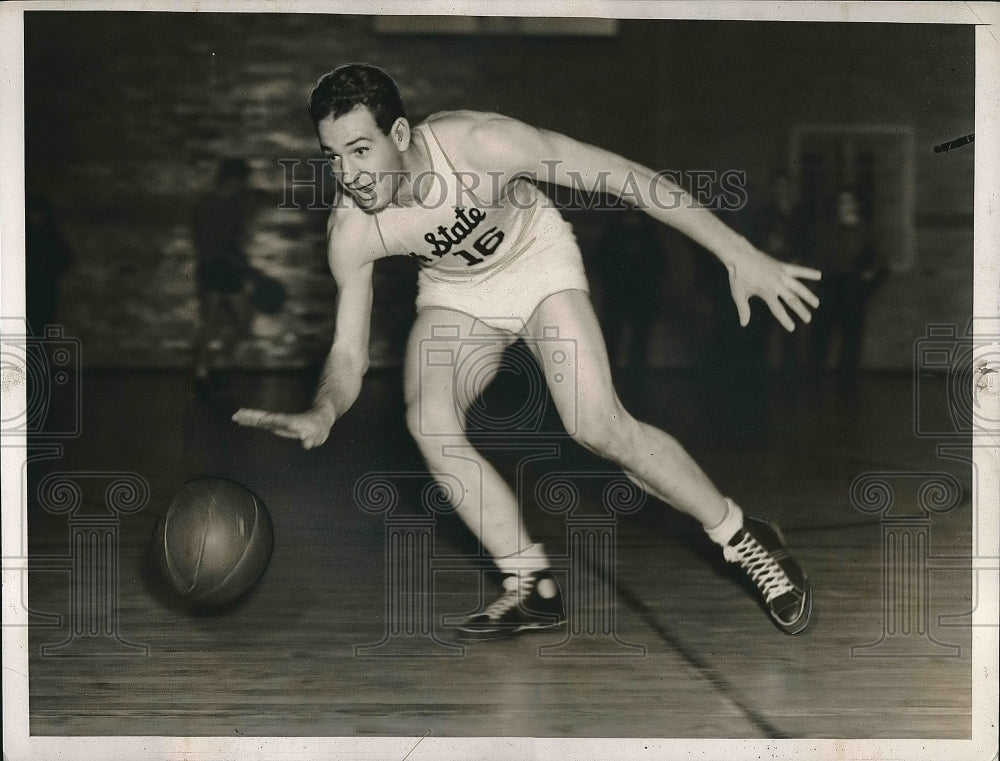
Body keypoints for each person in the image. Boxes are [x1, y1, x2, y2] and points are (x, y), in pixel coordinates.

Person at [233, 64, 821, 639]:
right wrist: (326, 409)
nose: (349, 175)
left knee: (598, 426)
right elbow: (348, 354)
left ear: (402, 135)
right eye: (333, 157)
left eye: (360, 151)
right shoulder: (352, 230)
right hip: (458, 293)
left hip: (537, 263)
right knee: (428, 422)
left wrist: (736, 252)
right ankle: (530, 584)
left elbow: (621, 176)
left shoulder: (481, 145)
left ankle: (742, 536)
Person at [192, 157, 254, 390]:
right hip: (222, 266)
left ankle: (205, 367)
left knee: (212, 321)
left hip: (211, 266)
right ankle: (213, 364)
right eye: (242, 181)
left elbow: (207, 241)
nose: (244, 185)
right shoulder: (226, 207)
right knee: (239, 320)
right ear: (233, 179)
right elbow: (226, 243)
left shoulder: (210, 204)